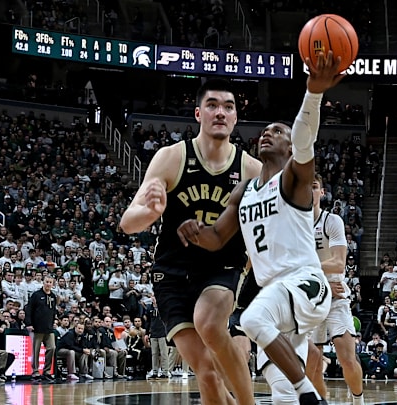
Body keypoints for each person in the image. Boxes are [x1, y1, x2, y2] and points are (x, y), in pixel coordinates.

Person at [177, 51, 344, 404]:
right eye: (265, 130)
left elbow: (304, 137)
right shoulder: (245, 189)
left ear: (289, 146)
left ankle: (312, 395)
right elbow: (218, 237)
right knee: (280, 390)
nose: (268, 133)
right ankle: (301, 394)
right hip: (275, 298)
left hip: (303, 283)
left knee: (252, 319)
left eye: (278, 131)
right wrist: (193, 230)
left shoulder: (295, 179)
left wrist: (313, 92)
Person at [120, 78, 261, 405]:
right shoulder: (171, 158)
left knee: (209, 322)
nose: (221, 112)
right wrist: (153, 212)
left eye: (228, 107)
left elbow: (260, 232)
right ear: (198, 114)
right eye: (212, 105)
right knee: (206, 372)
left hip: (222, 267)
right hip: (172, 272)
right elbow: (128, 223)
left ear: (236, 118)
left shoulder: (251, 169)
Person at [306, 173, 364, 404]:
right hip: (308, 297)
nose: (309, 191)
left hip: (335, 296)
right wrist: (319, 280)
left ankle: (358, 400)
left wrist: (308, 269)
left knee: (347, 358)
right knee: (312, 363)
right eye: (305, 186)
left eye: (314, 186)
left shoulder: (331, 221)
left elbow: (339, 263)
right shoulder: (293, 224)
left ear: (322, 192)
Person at [24, 275, 57, 382]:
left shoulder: (53, 296)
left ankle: (47, 371)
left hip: (48, 328)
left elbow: (53, 311)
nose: (48, 284)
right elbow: (29, 309)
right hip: (36, 328)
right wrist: (28, 323)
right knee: (36, 351)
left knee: (52, 348)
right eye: (47, 281)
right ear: (43, 282)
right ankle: (35, 372)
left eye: (50, 282)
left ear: (52, 284)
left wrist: (53, 322)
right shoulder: (36, 295)